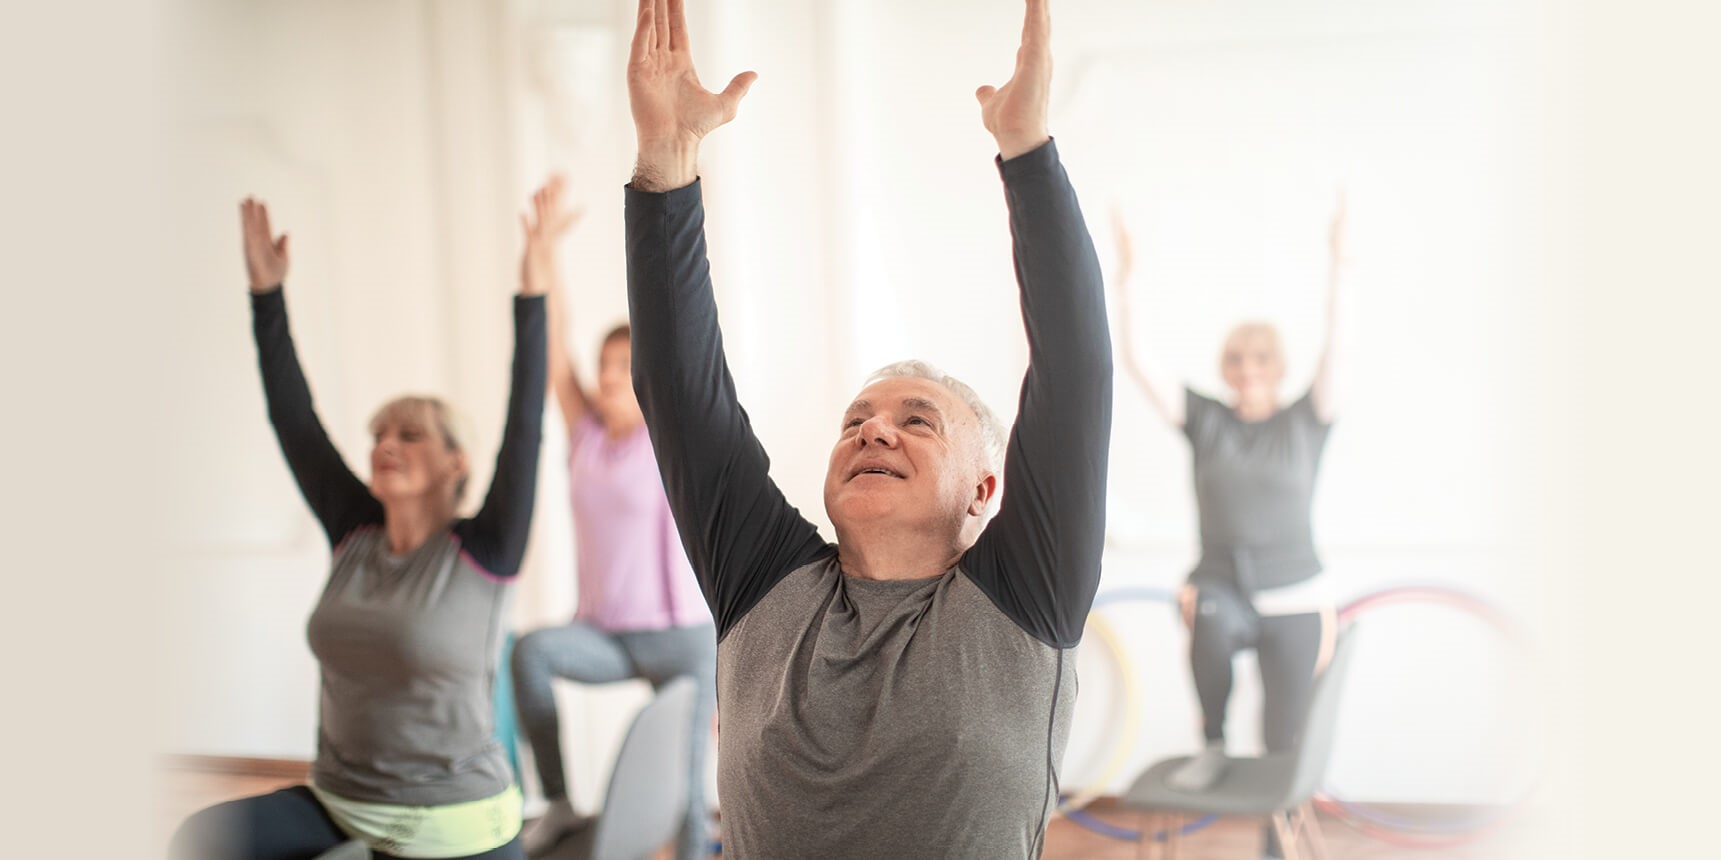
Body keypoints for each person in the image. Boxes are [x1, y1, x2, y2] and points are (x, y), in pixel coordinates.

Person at [620, 0, 1110, 856]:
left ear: (984, 490)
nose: (873, 431)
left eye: (916, 421)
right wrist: (666, 159)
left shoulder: (1025, 591)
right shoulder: (762, 582)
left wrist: (1026, 151)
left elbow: (1074, 374)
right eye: (857, 420)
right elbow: (679, 395)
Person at [169, 194, 548, 860]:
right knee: (200, 838)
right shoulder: (353, 532)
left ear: (455, 462)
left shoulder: (484, 548)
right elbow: (294, 419)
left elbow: (524, 423)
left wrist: (532, 293)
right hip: (341, 799)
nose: (385, 444)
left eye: (409, 434)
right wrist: (267, 293)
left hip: (455, 819)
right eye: (378, 433)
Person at [1112, 193, 1352, 859]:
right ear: (1225, 370)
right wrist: (1126, 280)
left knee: (1283, 745)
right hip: (1221, 585)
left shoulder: (1307, 420)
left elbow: (1338, 343)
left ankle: (1275, 848)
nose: (1248, 373)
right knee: (1207, 613)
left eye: (1260, 361)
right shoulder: (1207, 420)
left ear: (1278, 369)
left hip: (1295, 598)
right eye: (1237, 361)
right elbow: (1138, 363)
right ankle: (1211, 744)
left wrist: (1340, 264)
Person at [507, 178, 715, 860]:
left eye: (623, 367)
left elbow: (682, 341)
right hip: (604, 633)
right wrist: (540, 251)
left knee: (686, 796)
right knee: (532, 652)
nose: (605, 379)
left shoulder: (668, 432)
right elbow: (553, 340)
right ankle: (562, 802)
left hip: (680, 638)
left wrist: (677, 208)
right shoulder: (587, 438)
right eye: (603, 367)